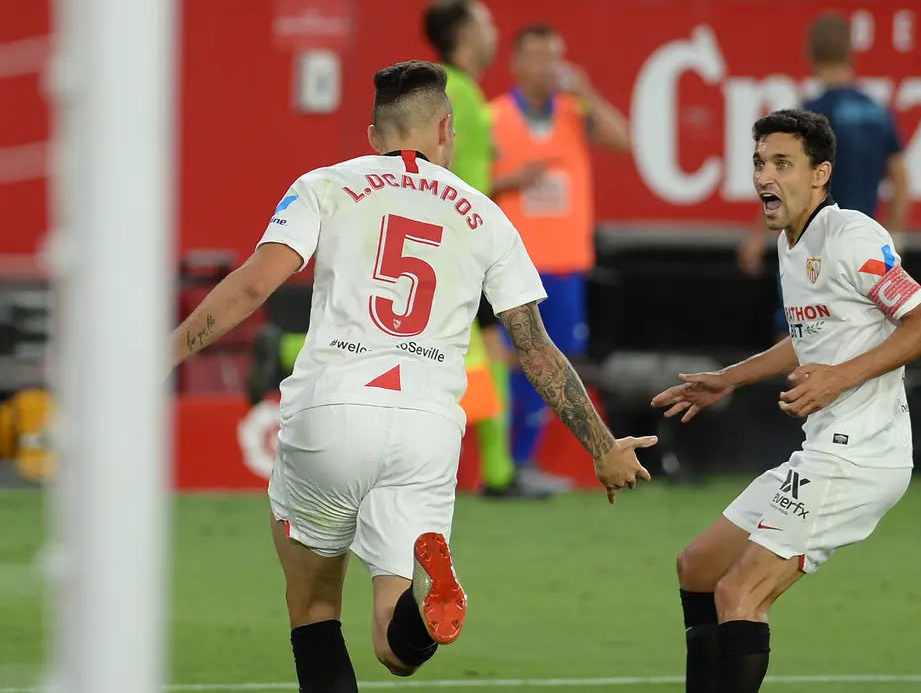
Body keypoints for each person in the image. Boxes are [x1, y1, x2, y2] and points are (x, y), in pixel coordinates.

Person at [166, 61, 654, 692]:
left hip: (334, 409)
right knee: (394, 649)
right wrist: (602, 446)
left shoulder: (326, 185)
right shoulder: (487, 217)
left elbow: (256, 283)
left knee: (314, 611)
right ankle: (425, 612)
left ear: (374, 137)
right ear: (446, 130)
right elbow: (536, 350)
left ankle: (399, 610)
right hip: (427, 429)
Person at [652, 109, 921, 693]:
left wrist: (838, 378)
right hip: (826, 449)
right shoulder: (793, 243)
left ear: (819, 174)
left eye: (782, 163)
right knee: (700, 569)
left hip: (860, 454)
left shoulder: (851, 235)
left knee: (740, 593)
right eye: (759, 163)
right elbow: (810, 337)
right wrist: (730, 377)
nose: (765, 177)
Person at [490, 24, 631, 489]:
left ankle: (525, 463)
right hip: (515, 261)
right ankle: (509, 464)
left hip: (567, 261)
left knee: (560, 356)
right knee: (513, 360)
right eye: (538, 56)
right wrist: (512, 182)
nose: (549, 66)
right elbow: (465, 187)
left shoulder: (574, 112)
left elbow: (623, 140)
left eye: (556, 56)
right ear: (515, 62)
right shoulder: (494, 119)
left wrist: (588, 91)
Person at [423, 0, 542, 498]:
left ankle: (498, 472)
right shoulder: (461, 96)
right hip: (459, 243)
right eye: (488, 22)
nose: (496, 31)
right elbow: (458, 180)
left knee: (490, 348)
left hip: (457, 238)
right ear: (468, 35)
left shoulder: (454, 91)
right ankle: (288, 352)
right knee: (475, 352)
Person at [739, 13, 910, 342]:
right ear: (851, 53)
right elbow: (902, 183)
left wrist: (755, 238)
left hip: (815, 244)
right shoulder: (878, 113)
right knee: (858, 336)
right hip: (861, 247)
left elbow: (785, 184)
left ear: (811, 55)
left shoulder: (810, 116)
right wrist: (895, 238)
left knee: (798, 336)